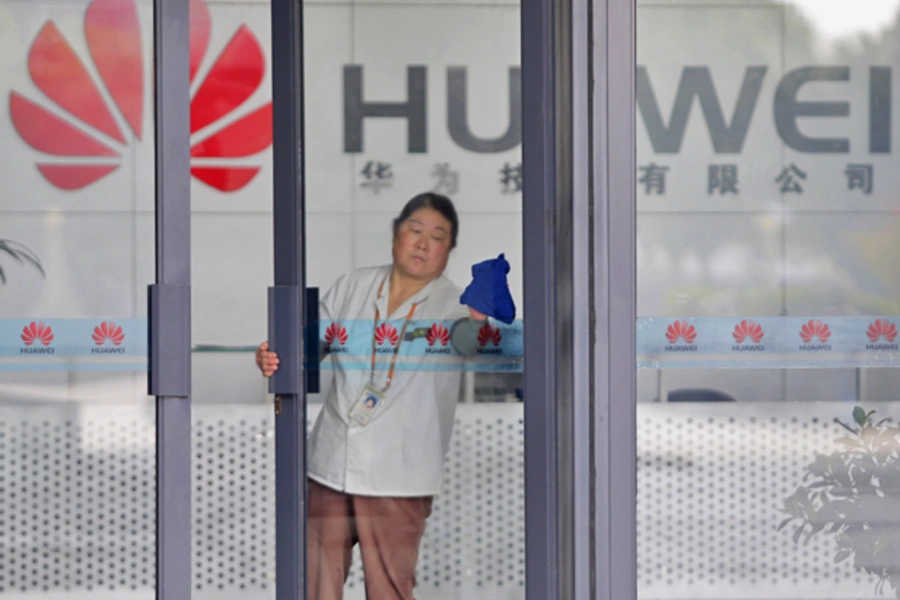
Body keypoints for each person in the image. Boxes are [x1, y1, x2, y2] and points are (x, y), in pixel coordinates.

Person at [255, 192, 488, 600]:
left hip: (399, 475)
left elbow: (469, 340)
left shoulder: (454, 303)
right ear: (395, 234)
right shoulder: (354, 285)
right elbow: (307, 349)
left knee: (389, 591)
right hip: (330, 463)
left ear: (448, 250)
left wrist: (481, 318)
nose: (422, 243)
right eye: (414, 230)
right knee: (314, 587)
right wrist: (273, 356)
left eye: (437, 237)